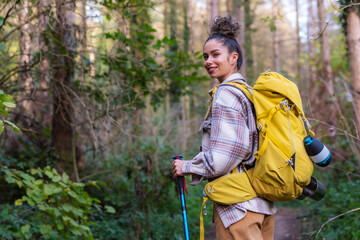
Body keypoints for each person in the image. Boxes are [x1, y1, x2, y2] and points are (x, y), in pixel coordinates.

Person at [172, 14, 276, 240]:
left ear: (233, 58)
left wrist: (187, 166)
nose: (208, 61)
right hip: (262, 203)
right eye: (205, 56)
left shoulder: (226, 94)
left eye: (215, 54)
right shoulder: (249, 93)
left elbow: (225, 156)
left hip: (237, 208)